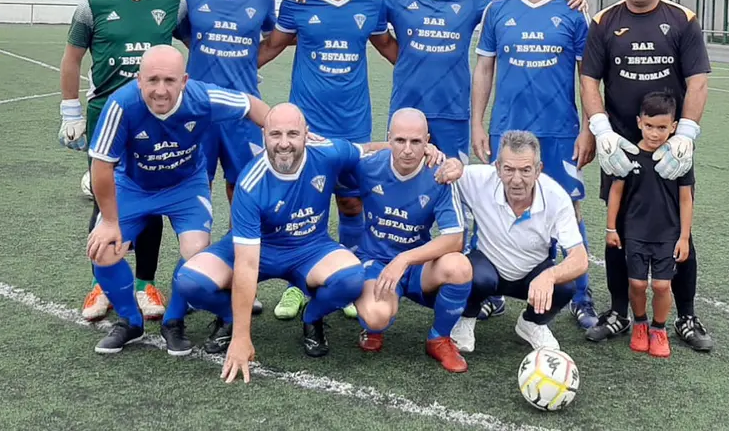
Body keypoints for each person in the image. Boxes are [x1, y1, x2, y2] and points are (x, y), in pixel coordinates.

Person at [283, 0, 589, 320]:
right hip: (408, 116)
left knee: (460, 195)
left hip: (453, 115)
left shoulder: (476, 0)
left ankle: (466, 281)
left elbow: (521, 0)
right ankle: (359, 271)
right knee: (374, 190)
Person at [171, 103, 441, 379]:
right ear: (264, 134)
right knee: (190, 282)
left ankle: (312, 318)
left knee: (351, 279)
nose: (284, 143)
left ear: (307, 135)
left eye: (292, 134)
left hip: (309, 249)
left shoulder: (327, 153)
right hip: (260, 251)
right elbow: (247, 265)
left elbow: (367, 150)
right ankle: (229, 318)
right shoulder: (251, 183)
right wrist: (242, 337)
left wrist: (422, 152)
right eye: (276, 134)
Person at [86, 45, 269, 356]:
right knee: (102, 250)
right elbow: (101, 165)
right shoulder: (121, 105)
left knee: (196, 251)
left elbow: (251, 104)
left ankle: (174, 320)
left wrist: (281, 132)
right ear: (139, 80)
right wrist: (111, 222)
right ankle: (131, 321)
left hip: (185, 186)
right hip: (133, 186)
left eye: (170, 81)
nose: (160, 90)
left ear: (184, 80)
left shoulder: (203, 97)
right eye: (152, 80)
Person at [258, 0, 398, 321]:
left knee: (351, 202)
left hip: (354, 123)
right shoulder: (297, 3)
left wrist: (429, 79)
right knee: (302, 206)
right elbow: (272, 45)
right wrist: (235, 75)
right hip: (307, 127)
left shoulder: (372, 5)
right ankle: (297, 286)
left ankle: (349, 279)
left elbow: (392, 50)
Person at [580, 0, 713, 351]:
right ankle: (621, 312)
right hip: (622, 147)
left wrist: (686, 135)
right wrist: (601, 129)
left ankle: (686, 318)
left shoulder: (681, 19)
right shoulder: (604, 21)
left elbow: (698, 80)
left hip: (671, 149)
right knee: (618, 230)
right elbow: (588, 80)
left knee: (677, 231)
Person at [59, 0, 188, 323]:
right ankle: (103, 282)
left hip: (158, 117)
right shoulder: (94, 4)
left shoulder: (173, 3)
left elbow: (195, 46)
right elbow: (72, 59)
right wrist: (70, 111)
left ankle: (144, 283)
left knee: (149, 201)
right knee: (105, 200)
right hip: (107, 116)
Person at [471, 0, 598, 329]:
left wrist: (591, 128)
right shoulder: (498, 11)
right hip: (506, 132)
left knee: (570, 211)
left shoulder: (573, 11)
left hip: (560, 132)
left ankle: (581, 295)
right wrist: (477, 122)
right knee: (491, 207)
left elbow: (588, 76)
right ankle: (489, 292)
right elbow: (485, 69)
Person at [179, 0, 275, 314]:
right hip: (198, 114)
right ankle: (195, 274)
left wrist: (246, 68)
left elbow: (272, 38)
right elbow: (184, 35)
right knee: (193, 192)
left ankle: (237, 279)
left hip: (243, 116)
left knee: (243, 193)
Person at [352, 108, 471, 373]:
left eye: (416, 142)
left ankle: (439, 338)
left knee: (459, 266)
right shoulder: (368, 165)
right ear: (389, 138)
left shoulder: (439, 174)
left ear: (427, 141)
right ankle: (373, 327)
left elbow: (455, 239)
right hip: (376, 262)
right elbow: (335, 157)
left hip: (416, 265)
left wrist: (404, 259)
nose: (407, 150)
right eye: (400, 141)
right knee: (376, 316)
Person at [449, 130, 589, 352]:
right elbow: (434, 170)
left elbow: (580, 259)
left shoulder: (557, 197)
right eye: (508, 169)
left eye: (525, 170)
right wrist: (445, 162)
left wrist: (549, 276)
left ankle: (532, 322)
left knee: (563, 286)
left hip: (532, 275)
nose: (516, 180)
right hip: (487, 269)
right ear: (497, 168)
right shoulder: (477, 179)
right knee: (471, 275)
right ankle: (466, 318)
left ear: (538, 170)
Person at [605, 91, 694, 358]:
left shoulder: (679, 158)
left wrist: (684, 237)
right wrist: (611, 228)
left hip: (667, 234)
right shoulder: (629, 155)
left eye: (662, 128)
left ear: (674, 127)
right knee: (638, 284)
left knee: (661, 286)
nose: (655, 133)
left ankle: (659, 329)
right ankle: (640, 324)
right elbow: (616, 192)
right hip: (635, 234)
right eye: (649, 126)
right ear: (639, 122)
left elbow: (686, 199)